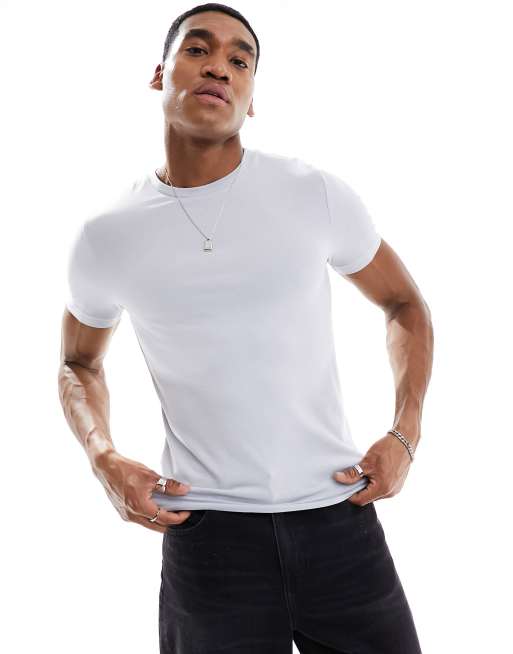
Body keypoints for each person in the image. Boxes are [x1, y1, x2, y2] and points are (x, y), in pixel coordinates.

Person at [58, 3, 433, 652]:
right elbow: (78, 363)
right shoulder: (108, 236)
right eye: (198, 50)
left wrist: (406, 432)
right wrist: (103, 456)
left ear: (251, 97)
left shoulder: (312, 194)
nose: (220, 68)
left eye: (240, 60)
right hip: (209, 543)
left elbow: (404, 303)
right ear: (160, 74)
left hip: (339, 521)